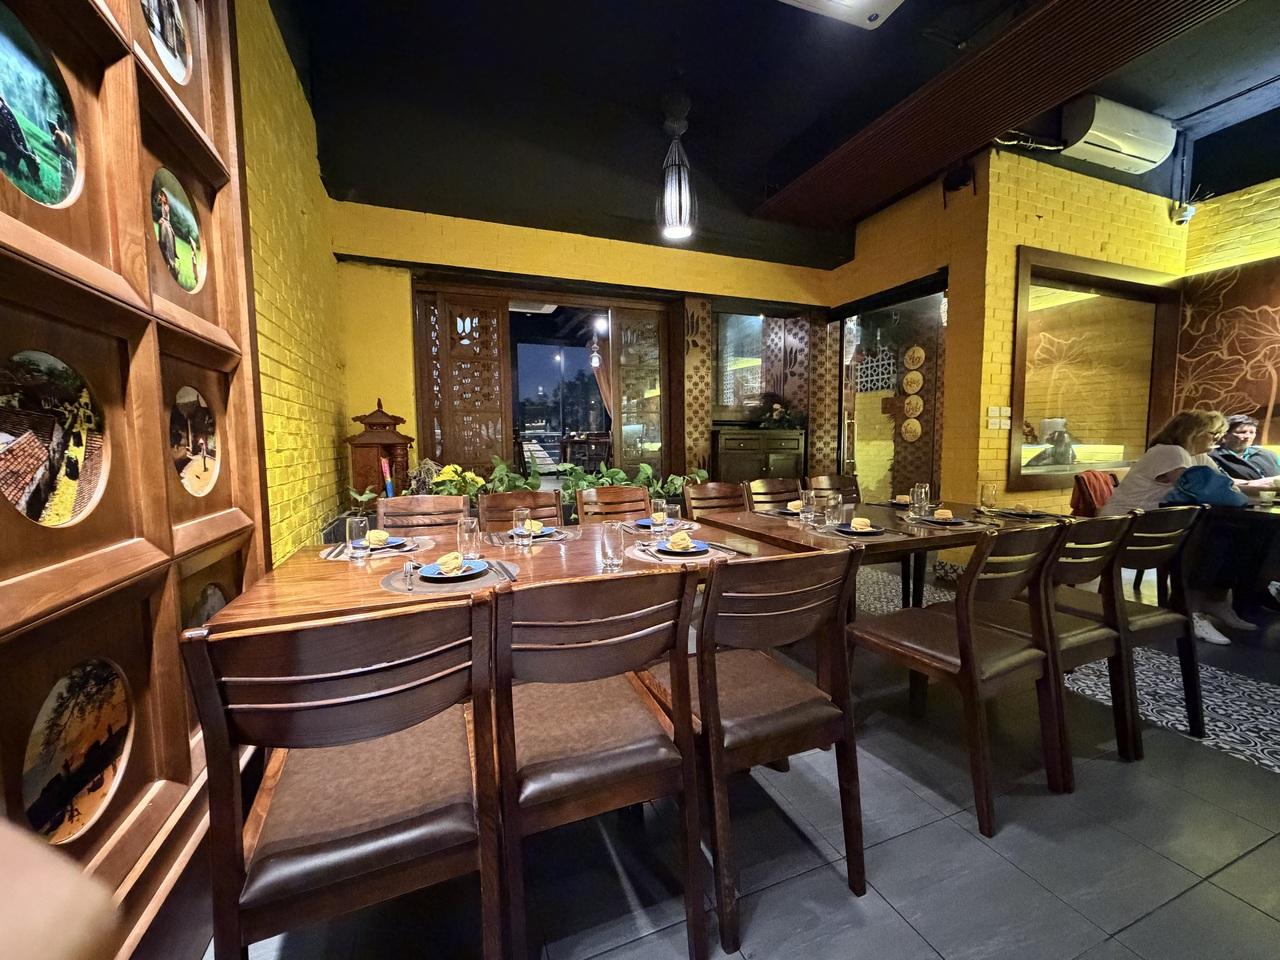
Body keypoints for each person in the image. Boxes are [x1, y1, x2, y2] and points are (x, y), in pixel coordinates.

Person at [1102, 410, 1258, 644]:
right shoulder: (1169, 452)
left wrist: (1241, 488)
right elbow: (1202, 488)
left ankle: (1214, 601)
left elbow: (1227, 485)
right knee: (1213, 539)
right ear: (1192, 433)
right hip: (1125, 529)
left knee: (1234, 535)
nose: (1217, 439)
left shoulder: (1197, 457)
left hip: (1155, 525)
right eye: (1212, 433)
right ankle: (1191, 610)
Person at [1210, 414, 1280, 482]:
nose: (1248, 436)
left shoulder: (1269, 454)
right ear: (1225, 435)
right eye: (1242, 432)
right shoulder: (1213, 458)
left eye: (1252, 432)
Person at [154, 187, 178, 276]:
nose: (162, 198)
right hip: (164, 224)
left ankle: (170, 262)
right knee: (163, 241)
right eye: (162, 196)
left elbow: (166, 216)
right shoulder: (163, 205)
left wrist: (163, 220)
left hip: (166, 224)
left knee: (168, 242)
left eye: (164, 196)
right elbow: (158, 202)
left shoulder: (166, 206)